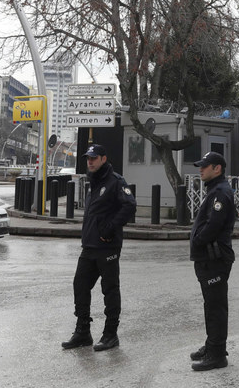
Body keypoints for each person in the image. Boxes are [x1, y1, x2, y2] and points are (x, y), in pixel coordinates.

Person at [61, 144, 137, 351]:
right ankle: (83, 332)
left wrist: (110, 229)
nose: (90, 161)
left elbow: (130, 205)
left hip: (107, 246)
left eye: (94, 158)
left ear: (104, 159)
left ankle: (111, 335)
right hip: (90, 245)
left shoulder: (116, 181)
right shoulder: (93, 181)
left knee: (110, 290)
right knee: (80, 285)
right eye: (88, 158)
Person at [188, 151, 235, 371]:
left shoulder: (220, 193)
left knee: (216, 306)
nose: (201, 169)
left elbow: (214, 225)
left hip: (214, 258)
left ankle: (217, 355)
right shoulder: (214, 190)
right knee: (211, 304)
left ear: (218, 169)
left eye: (205, 166)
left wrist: (197, 239)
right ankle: (212, 345)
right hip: (208, 257)